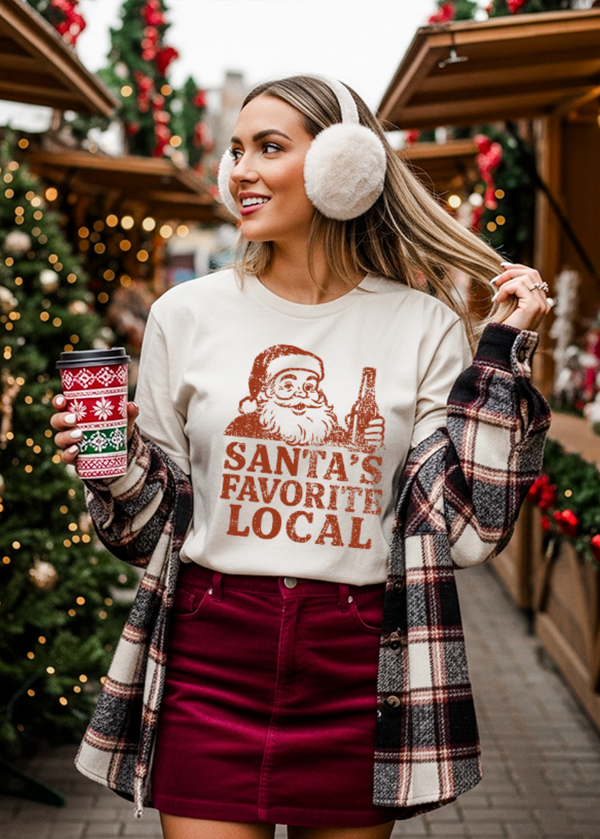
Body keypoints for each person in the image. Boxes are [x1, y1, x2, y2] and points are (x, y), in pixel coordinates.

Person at [51, 75, 551, 839]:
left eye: (269, 148)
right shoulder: (185, 315)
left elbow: (466, 531)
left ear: (343, 166)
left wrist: (498, 359)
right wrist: (114, 467)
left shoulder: (422, 325)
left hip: (358, 668)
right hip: (209, 658)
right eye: (236, 149)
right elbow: (150, 534)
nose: (240, 170)